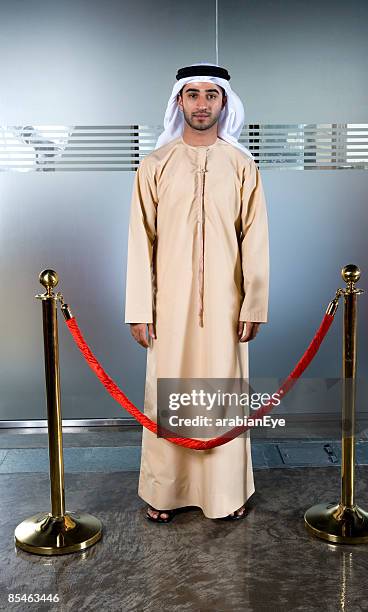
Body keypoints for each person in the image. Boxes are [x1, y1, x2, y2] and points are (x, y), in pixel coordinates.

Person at [125, 62, 269, 523]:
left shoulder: (242, 166)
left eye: (211, 95)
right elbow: (139, 241)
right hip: (169, 306)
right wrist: (137, 309)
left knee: (221, 396)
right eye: (193, 95)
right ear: (179, 102)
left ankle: (225, 494)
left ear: (224, 102)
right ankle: (165, 493)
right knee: (170, 392)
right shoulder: (155, 165)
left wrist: (255, 303)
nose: (202, 104)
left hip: (227, 309)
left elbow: (256, 239)